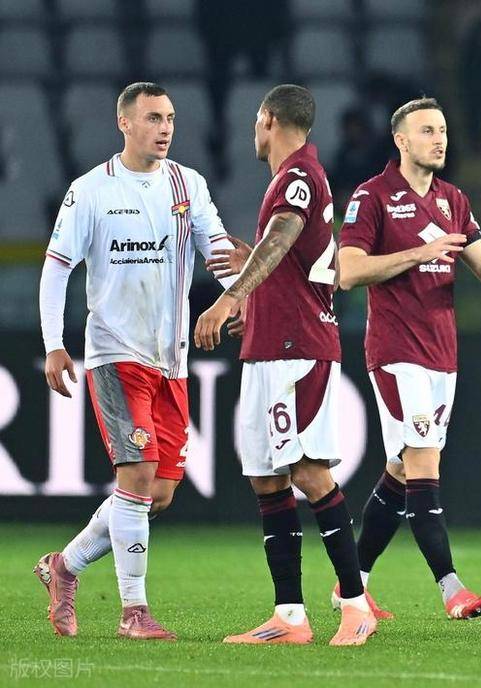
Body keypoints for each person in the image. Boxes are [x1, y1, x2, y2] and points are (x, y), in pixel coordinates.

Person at [35, 81, 241, 641]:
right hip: (115, 352)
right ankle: (134, 612)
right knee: (137, 475)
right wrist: (54, 342)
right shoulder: (90, 190)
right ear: (124, 123)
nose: (165, 127)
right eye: (153, 117)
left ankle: (64, 566)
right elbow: (57, 267)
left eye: (169, 117)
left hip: (170, 359)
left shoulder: (187, 183)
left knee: (159, 493)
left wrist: (236, 296)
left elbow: (219, 251)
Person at [337, 97, 481, 620]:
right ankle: (452, 589)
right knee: (424, 463)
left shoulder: (453, 199)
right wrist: (417, 253)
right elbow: (349, 271)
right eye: (427, 130)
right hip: (397, 353)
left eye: (443, 130)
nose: (439, 139)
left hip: (442, 356)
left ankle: (351, 584)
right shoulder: (372, 196)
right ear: (401, 140)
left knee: (401, 472)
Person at [194, 84, 376, 646]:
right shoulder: (296, 177)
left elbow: (281, 238)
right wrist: (260, 302)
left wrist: (231, 297)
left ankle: (356, 605)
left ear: (267, 119)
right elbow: (291, 262)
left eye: (257, 122)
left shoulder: (298, 175)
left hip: (298, 349)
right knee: (266, 476)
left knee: (308, 472)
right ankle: (290, 615)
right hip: (272, 344)